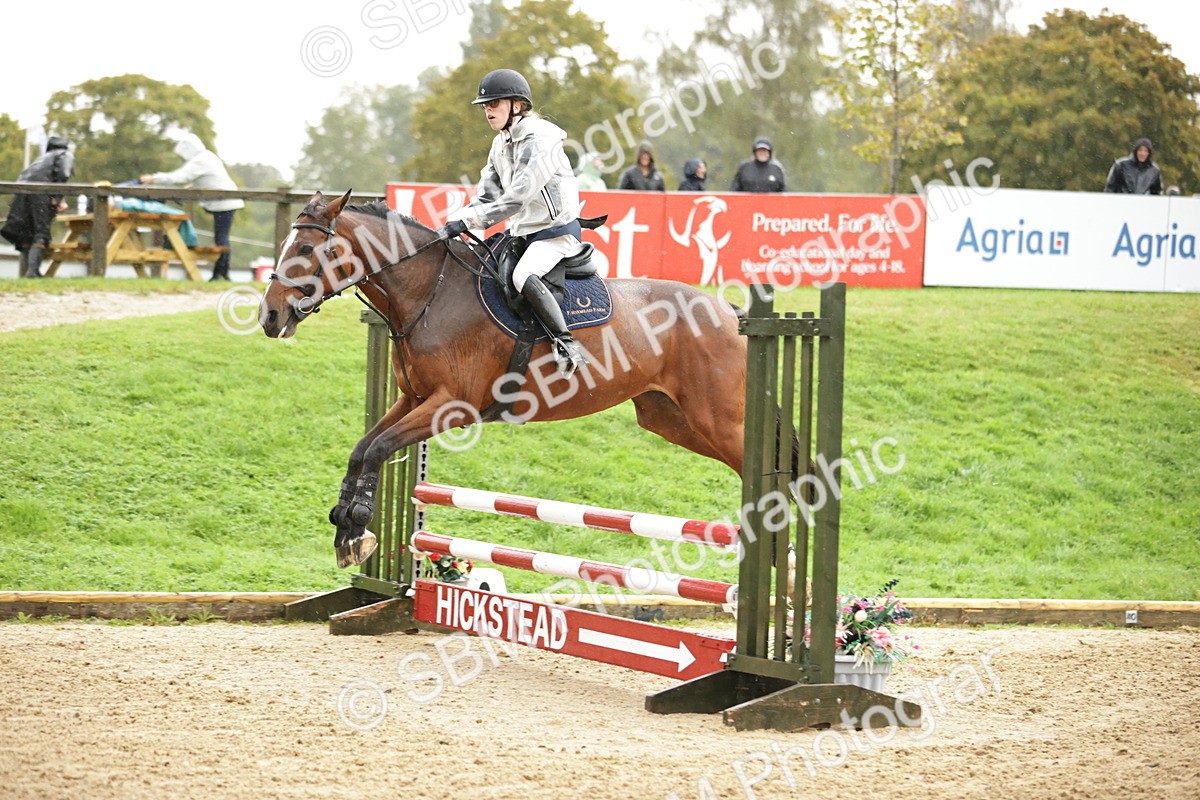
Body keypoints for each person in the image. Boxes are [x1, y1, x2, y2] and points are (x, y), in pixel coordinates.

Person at [435, 68, 587, 376]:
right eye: (485, 106)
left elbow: (518, 197)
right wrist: (457, 221)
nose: (488, 111)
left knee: (522, 275)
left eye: (495, 104)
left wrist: (468, 221)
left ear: (517, 105)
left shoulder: (542, 139)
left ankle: (567, 344)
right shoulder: (500, 144)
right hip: (523, 233)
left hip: (555, 234)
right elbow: (487, 197)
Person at [139, 133, 244, 280]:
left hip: (223, 201)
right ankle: (221, 273)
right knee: (222, 237)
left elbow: (180, 177)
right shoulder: (208, 156)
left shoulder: (201, 160)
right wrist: (194, 185)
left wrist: (154, 178)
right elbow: (208, 178)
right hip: (225, 200)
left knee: (221, 238)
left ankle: (220, 273)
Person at [1, 136, 74, 278]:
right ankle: (32, 272)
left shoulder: (41, 159)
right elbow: (63, 174)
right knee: (41, 232)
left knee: (27, 232)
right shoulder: (64, 154)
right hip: (40, 192)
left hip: (23, 191)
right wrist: (58, 198)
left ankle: (30, 272)